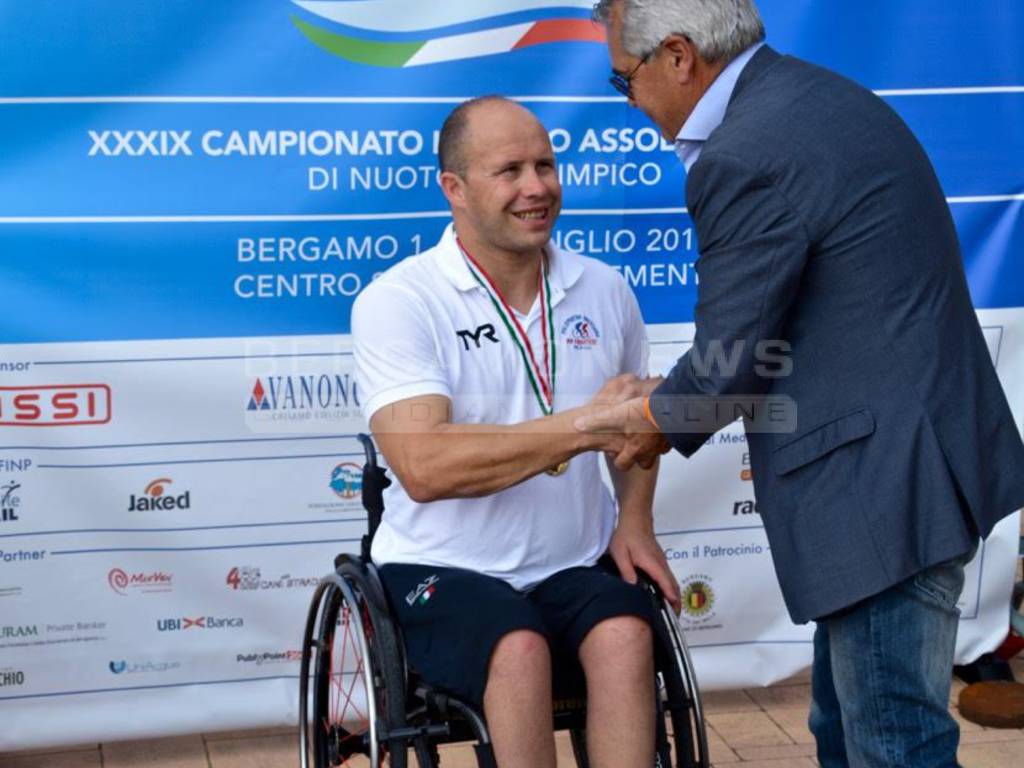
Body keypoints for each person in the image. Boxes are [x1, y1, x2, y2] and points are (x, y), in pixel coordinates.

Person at [581, 2, 1024, 767]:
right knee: (843, 733)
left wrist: (644, 418)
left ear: (680, 57)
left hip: (881, 491)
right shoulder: (814, 96)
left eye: (626, 82)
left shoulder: (744, 152)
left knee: (893, 745)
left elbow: (729, 363)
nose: (635, 104)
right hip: (902, 468)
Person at [351, 95, 679, 768]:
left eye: (546, 165)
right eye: (510, 171)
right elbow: (425, 467)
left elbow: (636, 428)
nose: (537, 187)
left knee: (626, 631)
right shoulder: (401, 299)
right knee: (517, 645)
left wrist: (636, 521)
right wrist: (586, 426)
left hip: (568, 561)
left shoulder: (606, 288)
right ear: (455, 189)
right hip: (439, 570)